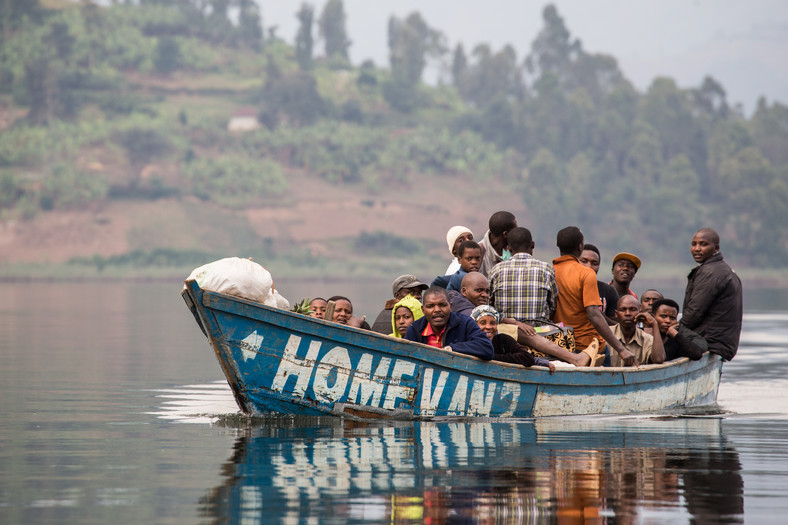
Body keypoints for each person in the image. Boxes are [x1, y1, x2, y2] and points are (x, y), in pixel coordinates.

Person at [453, 271, 596, 367]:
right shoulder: (460, 303)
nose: (484, 295)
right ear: (464, 291)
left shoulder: (474, 304)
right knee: (527, 333)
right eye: (479, 291)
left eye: (487, 291)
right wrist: (515, 323)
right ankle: (575, 359)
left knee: (538, 330)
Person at [552, 226, 637, 366]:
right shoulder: (585, 273)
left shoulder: (550, 271)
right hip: (589, 346)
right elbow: (594, 314)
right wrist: (621, 349)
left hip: (561, 346)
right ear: (580, 246)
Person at [680, 228, 743, 360]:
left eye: (703, 244)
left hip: (711, 342)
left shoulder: (711, 272)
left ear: (716, 248)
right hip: (722, 343)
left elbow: (695, 311)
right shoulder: (722, 269)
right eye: (694, 244)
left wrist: (675, 331)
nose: (697, 248)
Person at [489, 226, 557, 325]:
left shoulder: (496, 270)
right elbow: (553, 306)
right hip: (539, 334)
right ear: (532, 245)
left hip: (506, 334)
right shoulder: (546, 269)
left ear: (509, 248)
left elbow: (489, 302)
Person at [404, 287, 494, 360]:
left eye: (442, 305)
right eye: (430, 306)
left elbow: (486, 348)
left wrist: (451, 349)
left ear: (450, 307)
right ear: (423, 310)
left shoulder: (465, 323)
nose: (437, 310)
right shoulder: (415, 328)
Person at [470, 305, 556, 374]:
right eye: (482, 323)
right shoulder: (469, 342)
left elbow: (527, 358)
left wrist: (491, 357)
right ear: (474, 325)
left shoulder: (502, 340)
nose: (488, 327)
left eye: (492, 323)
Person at [609, 295, 665, 366]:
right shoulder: (606, 335)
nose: (627, 313)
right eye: (623, 309)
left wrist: (654, 324)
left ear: (640, 311)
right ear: (616, 314)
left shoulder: (646, 339)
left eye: (632, 309)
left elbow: (659, 359)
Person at [578, 244, 619, 324]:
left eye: (594, 263)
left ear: (598, 267)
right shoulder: (566, 287)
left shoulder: (609, 291)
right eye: (584, 261)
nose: (589, 266)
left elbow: (616, 327)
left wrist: (598, 315)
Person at [478, 211, 518, 277]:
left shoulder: (513, 248)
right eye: (514, 231)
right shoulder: (479, 253)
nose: (516, 233)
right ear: (505, 234)